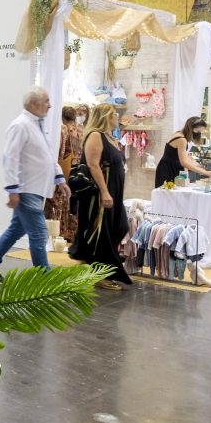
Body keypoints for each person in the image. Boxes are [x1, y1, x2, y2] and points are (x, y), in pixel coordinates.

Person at [0, 87, 71, 271]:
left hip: (35, 189)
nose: (50, 105)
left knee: (16, 229)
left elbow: (46, 156)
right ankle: (44, 278)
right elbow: (10, 157)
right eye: (47, 101)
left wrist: (60, 179)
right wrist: (13, 189)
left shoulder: (36, 126)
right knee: (39, 234)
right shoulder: (20, 125)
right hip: (26, 189)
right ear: (33, 103)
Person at [69, 104, 132, 290]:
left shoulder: (109, 137)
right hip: (99, 192)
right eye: (114, 114)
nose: (117, 117)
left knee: (118, 226)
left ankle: (90, 265)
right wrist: (104, 191)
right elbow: (93, 165)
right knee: (101, 231)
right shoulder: (95, 135)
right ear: (105, 116)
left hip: (113, 190)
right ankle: (99, 274)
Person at [45, 106, 79, 241]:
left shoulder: (62, 129)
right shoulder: (72, 129)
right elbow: (69, 152)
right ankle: (61, 233)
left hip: (56, 171)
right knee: (62, 205)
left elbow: (61, 153)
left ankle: (54, 235)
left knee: (53, 205)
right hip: (65, 170)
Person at [154, 117, 211, 188]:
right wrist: (206, 172)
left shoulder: (178, 133)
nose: (198, 134)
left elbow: (180, 156)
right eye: (198, 132)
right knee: (168, 196)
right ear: (191, 128)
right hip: (168, 170)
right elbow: (184, 162)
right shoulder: (182, 140)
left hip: (167, 167)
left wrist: (197, 165)